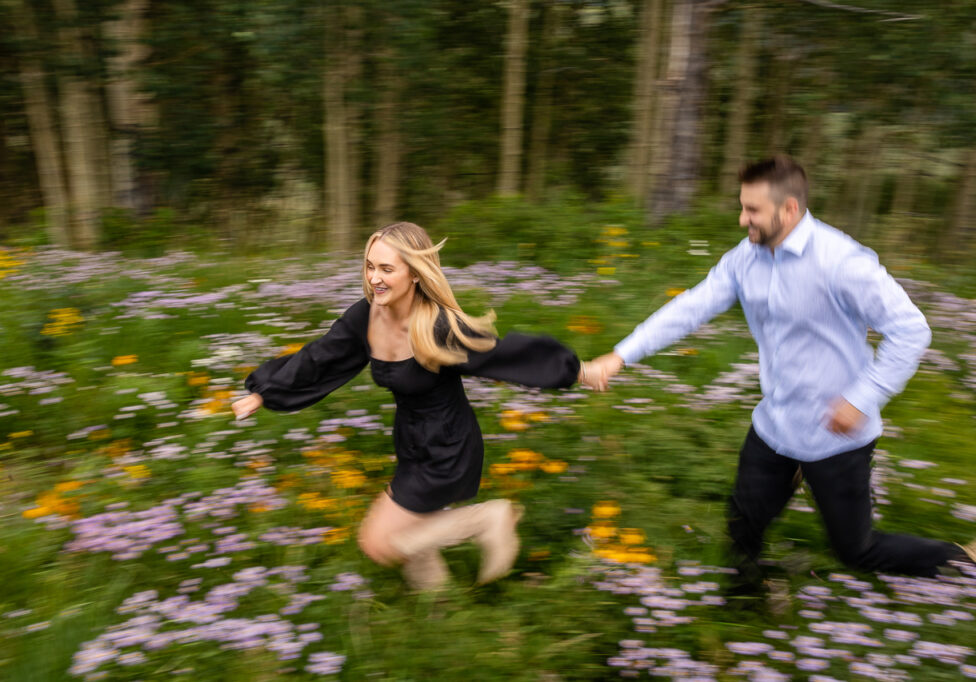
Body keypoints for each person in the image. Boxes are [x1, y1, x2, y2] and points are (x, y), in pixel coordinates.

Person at [586, 156, 975, 584]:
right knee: (741, 530)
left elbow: (911, 330)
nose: (741, 219)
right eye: (742, 206)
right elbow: (692, 306)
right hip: (775, 425)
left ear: (788, 209)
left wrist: (862, 400)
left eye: (752, 210)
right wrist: (621, 354)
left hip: (837, 437)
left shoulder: (841, 261)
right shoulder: (746, 258)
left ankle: (963, 560)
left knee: (856, 551)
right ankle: (750, 612)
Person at [232, 222, 595, 591]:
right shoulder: (367, 316)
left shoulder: (438, 326)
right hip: (412, 442)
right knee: (417, 533)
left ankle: (489, 518)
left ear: (415, 274)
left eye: (387, 269)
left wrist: (578, 370)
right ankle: (440, 614)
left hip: (448, 446)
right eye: (370, 266)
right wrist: (264, 392)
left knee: (379, 542)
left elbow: (504, 357)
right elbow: (320, 357)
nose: (374, 278)